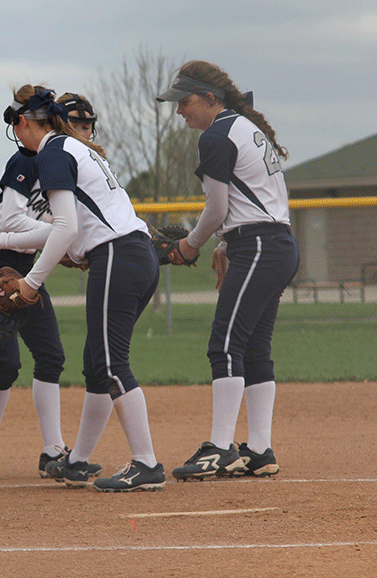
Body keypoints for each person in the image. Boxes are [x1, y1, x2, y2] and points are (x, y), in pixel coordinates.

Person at [0, 85, 165, 492]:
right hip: (134, 254)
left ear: (24, 122)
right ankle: (77, 459)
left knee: (112, 363)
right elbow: (70, 229)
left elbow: (66, 227)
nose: (19, 135)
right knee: (98, 363)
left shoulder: (52, 153)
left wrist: (31, 282)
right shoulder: (76, 150)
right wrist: (7, 243)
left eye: (17, 126)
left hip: (116, 256)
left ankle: (147, 462)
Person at [155, 61, 299, 480]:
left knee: (225, 345)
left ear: (209, 98)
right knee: (253, 348)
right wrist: (223, 242)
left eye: (186, 101)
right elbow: (251, 202)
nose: (180, 110)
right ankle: (258, 449)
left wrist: (188, 245)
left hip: (259, 247)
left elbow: (218, 209)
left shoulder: (217, 135)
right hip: (274, 245)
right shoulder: (239, 127)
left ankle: (220, 448)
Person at [0, 93, 106, 481]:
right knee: (7, 361)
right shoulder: (28, 159)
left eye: (87, 125)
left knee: (51, 356)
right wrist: (60, 236)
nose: (82, 131)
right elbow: (10, 218)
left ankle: (51, 451)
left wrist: (66, 243)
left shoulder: (73, 165)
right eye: (75, 124)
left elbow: (65, 227)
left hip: (26, 262)